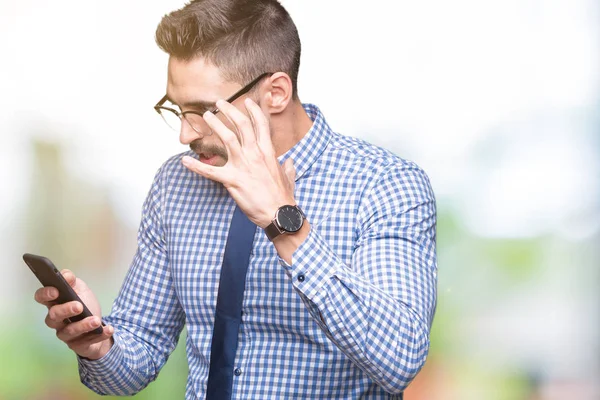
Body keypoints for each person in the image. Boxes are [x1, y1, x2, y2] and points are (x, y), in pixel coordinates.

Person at [33, 0, 437, 398]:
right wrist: (98, 344)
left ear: (276, 93)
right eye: (177, 108)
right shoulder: (177, 183)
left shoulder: (385, 185)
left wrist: (285, 225)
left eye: (204, 111)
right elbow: (135, 361)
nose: (185, 134)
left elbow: (399, 359)